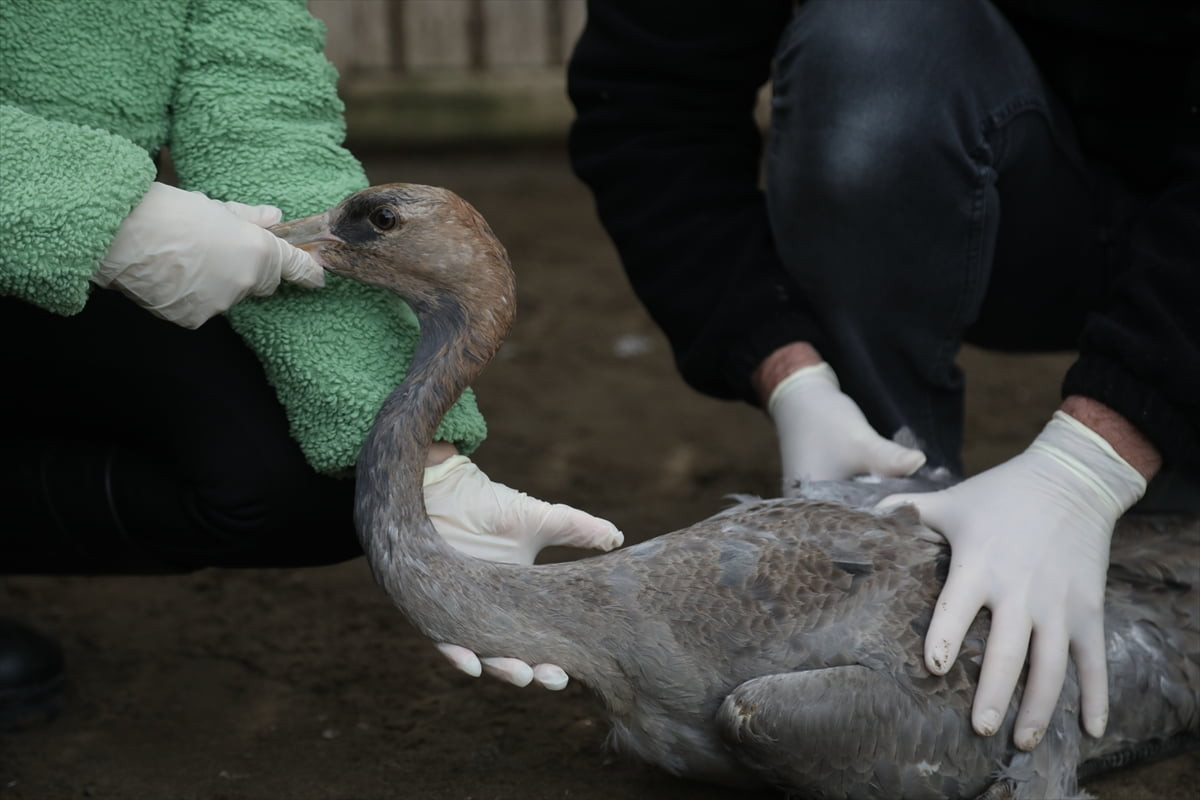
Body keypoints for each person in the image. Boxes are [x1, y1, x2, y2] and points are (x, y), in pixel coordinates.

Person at [567, 0, 1198, 752]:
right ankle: (897, 537)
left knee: (1167, 575)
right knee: (870, 42)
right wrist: (791, 372)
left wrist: (1092, 461)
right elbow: (648, 106)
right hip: (1006, 189)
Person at [0, 0, 619, 728]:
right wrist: (96, 210)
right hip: (43, 218)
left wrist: (428, 467)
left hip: (40, 266)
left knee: (304, 471)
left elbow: (267, 126)